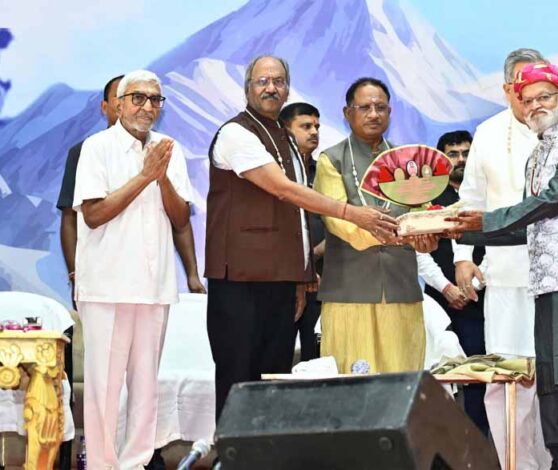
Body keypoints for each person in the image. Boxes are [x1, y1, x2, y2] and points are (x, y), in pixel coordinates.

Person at [450, 62, 558, 469]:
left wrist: (483, 221)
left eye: (544, 97)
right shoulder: (538, 152)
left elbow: (554, 198)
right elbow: (530, 227)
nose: (535, 106)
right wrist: (457, 233)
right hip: (548, 287)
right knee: (554, 397)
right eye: (527, 100)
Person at [205, 56, 396, 422]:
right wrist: (353, 213)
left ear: (287, 88)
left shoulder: (285, 139)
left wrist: (300, 276)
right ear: (247, 88)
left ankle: (267, 451)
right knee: (238, 380)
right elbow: (283, 190)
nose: (271, 88)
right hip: (240, 281)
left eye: (278, 81)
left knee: (273, 380)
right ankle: (232, 452)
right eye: (262, 81)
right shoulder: (235, 134)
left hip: (279, 283)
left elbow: (297, 219)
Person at [73, 70, 194, 469]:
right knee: (104, 389)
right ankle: (102, 464)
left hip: (154, 285)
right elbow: (93, 214)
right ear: (119, 104)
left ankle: (135, 463)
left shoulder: (169, 149)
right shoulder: (97, 147)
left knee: (146, 388)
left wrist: (161, 178)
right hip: (107, 286)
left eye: (155, 99)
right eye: (138, 98)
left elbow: (181, 217)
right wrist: (145, 176)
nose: (147, 106)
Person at [452, 48, 551, 469]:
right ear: (508, 88)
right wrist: (461, 256)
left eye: (539, 86)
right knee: (506, 379)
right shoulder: (488, 133)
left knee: (555, 382)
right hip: (506, 275)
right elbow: (470, 199)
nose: (530, 95)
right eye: (521, 86)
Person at [313, 77, 436, 374]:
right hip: (349, 290)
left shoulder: (409, 162)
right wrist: (395, 234)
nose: (373, 114)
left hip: (400, 286)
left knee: (402, 377)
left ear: (390, 113)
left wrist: (427, 236)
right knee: (351, 381)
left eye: (380, 107)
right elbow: (337, 220)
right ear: (347, 113)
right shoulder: (332, 160)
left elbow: (422, 214)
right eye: (364, 107)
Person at [416, 130, 490, 435]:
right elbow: (418, 251)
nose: (461, 159)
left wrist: (473, 287)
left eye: (466, 153)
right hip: (439, 302)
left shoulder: (486, 197)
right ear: (441, 159)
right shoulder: (425, 198)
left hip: (479, 301)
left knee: (479, 373)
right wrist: (447, 287)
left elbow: (497, 245)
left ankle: (479, 442)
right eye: (453, 154)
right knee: (439, 374)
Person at [280, 101, 324, 361]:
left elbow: (340, 224)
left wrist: (313, 259)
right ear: (285, 131)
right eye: (306, 126)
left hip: (321, 280)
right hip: (283, 281)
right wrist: (301, 266)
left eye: (317, 126)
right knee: (277, 358)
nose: (314, 132)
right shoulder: (274, 175)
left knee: (318, 358)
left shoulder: (326, 173)